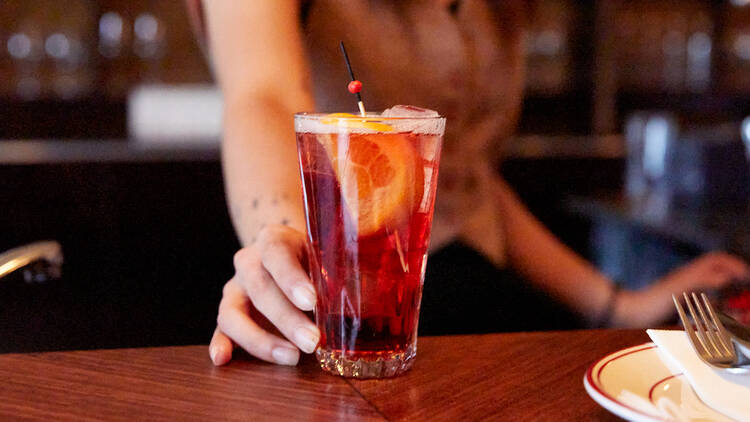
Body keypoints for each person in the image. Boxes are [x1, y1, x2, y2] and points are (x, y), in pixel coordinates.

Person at [188, 0, 749, 367]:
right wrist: (285, 244)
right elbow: (266, 95)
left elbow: (466, 180)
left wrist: (617, 304)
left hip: (475, 299)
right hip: (350, 305)